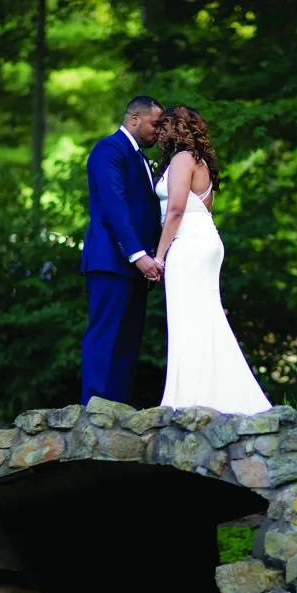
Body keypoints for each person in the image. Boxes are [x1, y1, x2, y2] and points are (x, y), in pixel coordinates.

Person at [152, 106, 273, 415]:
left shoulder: (182, 159)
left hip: (188, 245)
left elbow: (177, 209)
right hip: (206, 241)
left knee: (188, 320)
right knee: (206, 317)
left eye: (163, 127)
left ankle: (189, 400)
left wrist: (160, 255)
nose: (159, 134)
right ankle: (216, 396)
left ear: (176, 128)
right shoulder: (200, 161)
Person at [80, 96, 164, 409]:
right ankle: (95, 410)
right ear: (134, 119)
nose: (159, 131)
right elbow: (116, 206)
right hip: (112, 260)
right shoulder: (109, 150)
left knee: (128, 341)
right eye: (155, 124)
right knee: (105, 336)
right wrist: (138, 254)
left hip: (135, 265)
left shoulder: (139, 156)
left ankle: (119, 411)